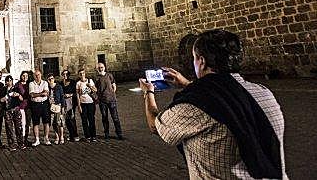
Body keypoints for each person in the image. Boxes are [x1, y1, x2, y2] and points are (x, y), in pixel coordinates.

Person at [139, 29, 287, 179]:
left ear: (202, 62)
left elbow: (155, 125)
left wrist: (148, 92)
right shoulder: (264, 93)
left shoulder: (195, 105)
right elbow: (226, 94)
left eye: (194, 58)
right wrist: (187, 84)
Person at [95, 62, 123, 140]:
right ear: (97, 69)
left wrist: (112, 93)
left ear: (104, 67)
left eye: (102, 67)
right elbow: (96, 89)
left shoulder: (109, 75)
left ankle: (119, 133)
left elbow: (114, 85)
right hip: (102, 101)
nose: (100, 69)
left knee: (115, 117)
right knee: (104, 118)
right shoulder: (97, 78)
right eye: (99, 68)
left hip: (111, 100)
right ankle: (106, 134)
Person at [0, 75, 25, 151]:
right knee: (9, 128)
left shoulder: (16, 88)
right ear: (6, 82)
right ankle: (11, 144)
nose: (9, 82)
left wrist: (18, 95)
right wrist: (6, 97)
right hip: (7, 110)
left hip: (16, 109)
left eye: (10, 80)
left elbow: (21, 99)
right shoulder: (3, 89)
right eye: (7, 81)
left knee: (18, 127)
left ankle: (20, 143)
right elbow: (1, 100)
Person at [29, 69, 51, 146]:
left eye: (38, 75)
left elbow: (46, 93)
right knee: (36, 123)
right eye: (35, 75)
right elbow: (32, 95)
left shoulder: (45, 83)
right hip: (35, 104)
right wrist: (41, 93)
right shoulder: (31, 84)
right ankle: (37, 139)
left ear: (41, 75)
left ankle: (46, 138)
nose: (37, 76)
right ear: (33, 76)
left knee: (46, 122)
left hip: (44, 104)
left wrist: (37, 94)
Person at [76, 68, 97, 141]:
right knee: (84, 120)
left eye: (83, 73)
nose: (82, 75)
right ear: (79, 75)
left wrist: (90, 86)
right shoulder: (78, 83)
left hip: (90, 103)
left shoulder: (90, 81)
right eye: (80, 74)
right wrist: (79, 106)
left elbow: (95, 90)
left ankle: (93, 136)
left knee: (91, 119)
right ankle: (87, 136)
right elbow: (78, 95)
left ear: (85, 74)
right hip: (83, 104)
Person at [61, 70, 79, 141]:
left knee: (72, 118)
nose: (65, 75)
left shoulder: (73, 82)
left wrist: (70, 94)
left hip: (71, 102)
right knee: (66, 119)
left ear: (69, 75)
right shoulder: (61, 83)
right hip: (64, 102)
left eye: (66, 74)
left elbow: (76, 93)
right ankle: (70, 134)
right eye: (64, 74)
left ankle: (75, 134)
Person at [47, 73, 65, 144]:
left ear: (54, 79)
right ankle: (57, 137)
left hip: (58, 106)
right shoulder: (47, 87)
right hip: (50, 107)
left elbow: (62, 97)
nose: (50, 80)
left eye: (51, 78)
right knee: (54, 123)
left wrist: (62, 107)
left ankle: (62, 136)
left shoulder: (58, 86)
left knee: (60, 122)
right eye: (49, 79)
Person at [15, 71, 31, 146]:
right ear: (21, 76)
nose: (25, 77)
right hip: (21, 106)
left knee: (27, 123)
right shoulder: (18, 84)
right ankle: (20, 139)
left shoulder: (30, 84)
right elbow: (14, 93)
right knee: (21, 123)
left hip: (28, 106)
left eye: (26, 76)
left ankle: (25, 139)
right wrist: (18, 95)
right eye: (23, 75)